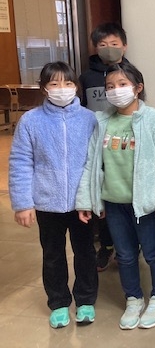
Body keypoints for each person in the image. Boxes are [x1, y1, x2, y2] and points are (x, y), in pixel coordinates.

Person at [76, 61, 155, 330]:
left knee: (153, 253)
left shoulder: (154, 119)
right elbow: (91, 164)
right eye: (110, 86)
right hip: (114, 202)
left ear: (137, 87)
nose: (115, 90)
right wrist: (88, 200)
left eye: (122, 84)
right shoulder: (101, 121)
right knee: (124, 255)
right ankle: (133, 298)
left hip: (145, 204)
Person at [8, 62, 98, 329]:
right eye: (55, 83)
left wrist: (95, 198)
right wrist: (23, 203)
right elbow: (21, 162)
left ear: (76, 86)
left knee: (85, 252)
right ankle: (58, 303)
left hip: (82, 202)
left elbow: (96, 163)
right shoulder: (31, 120)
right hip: (47, 202)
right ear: (44, 88)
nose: (62, 89)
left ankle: (85, 300)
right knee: (53, 255)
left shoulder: (89, 119)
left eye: (68, 83)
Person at [79, 21, 130, 271]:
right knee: (100, 198)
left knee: (122, 196)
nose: (109, 48)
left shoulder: (131, 73)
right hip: (95, 143)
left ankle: (127, 247)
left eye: (114, 43)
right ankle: (106, 247)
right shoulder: (86, 77)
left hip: (123, 145)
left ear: (124, 46)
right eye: (103, 44)